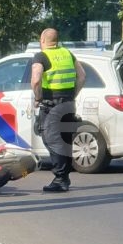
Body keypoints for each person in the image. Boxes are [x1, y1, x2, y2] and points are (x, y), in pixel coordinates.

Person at [31, 28, 85, 192]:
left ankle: (61, 178)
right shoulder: (67, 53)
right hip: (68, 103)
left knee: (52, 139)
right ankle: (64, 177)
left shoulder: (41, 56)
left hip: (52, 105)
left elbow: (36, 80)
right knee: (65, 138)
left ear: (42, 40)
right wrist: (73, 95)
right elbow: (82, 76)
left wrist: (38, 97)